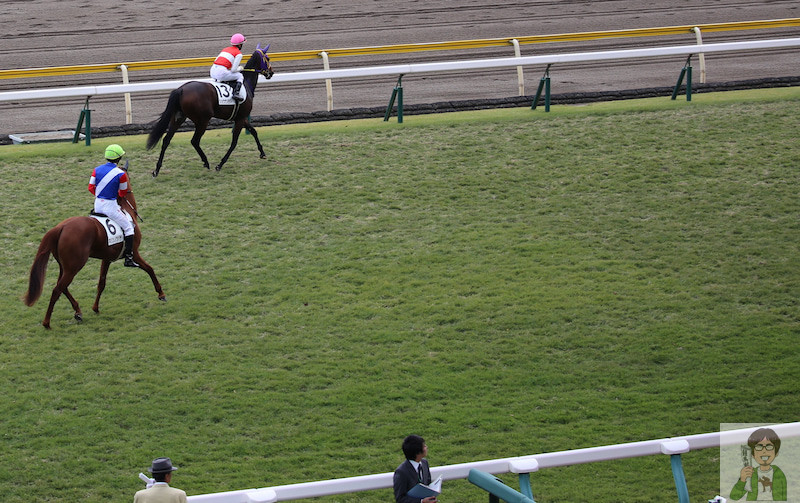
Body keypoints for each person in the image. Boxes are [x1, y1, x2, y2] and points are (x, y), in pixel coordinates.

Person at [88, 144, 139, 268]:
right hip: (110, 207)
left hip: (97, 205)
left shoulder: (96, 169)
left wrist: (100, 194)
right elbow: (122, 193)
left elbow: (91, 188)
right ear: (119, 158)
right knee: (129, 228)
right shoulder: (121, 174)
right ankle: (128, 258)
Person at [730, 427, 787, 501]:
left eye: (769, 446)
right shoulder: (750, 474)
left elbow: (783, 497)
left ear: (776, 453)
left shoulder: (779, 474)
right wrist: (742, 480)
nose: (764, 451)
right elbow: (734, 496)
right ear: (752, 454)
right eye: (759, 447)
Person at [393, 435, 437, 503]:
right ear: (418, 452)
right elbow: (400, 499)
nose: (426, 447)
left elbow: (427, 484)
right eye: (424, 446)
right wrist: (421, 501)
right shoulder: (401, 472)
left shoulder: (424, 463)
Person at [210, 33, 247, 102]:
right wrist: (240, 68)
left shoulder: (225, 49)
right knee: (240, 76)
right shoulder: (239, 54)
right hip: (221, 73)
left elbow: (217, 61)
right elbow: (233, 70)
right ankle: (236, 93)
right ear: (239, 45)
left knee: (227, 73)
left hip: (212, 71)